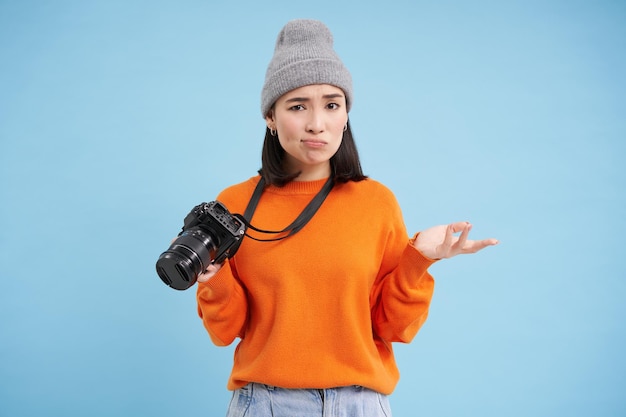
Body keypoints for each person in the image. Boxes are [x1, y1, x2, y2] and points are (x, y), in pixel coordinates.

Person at [194, 19, 498, 417]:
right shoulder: (233, 205)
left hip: (360, 404)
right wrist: (213, 277)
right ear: (270, 116)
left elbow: (393, 329)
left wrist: (419, 261)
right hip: (265, 403)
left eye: (331, 105)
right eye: (298, 105)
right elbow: (224, 331)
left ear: (346, 115)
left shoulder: (376, 203)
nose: (317, 123)